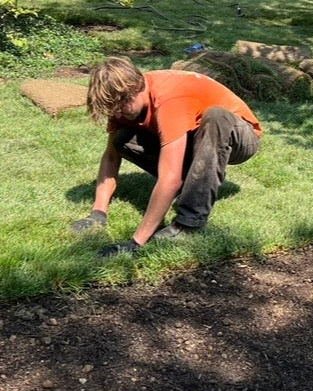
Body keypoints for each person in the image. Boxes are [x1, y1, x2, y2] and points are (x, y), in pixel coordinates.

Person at [71, 56, 263, 258]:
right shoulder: (121, 99)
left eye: (121, 105)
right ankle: (198, 179)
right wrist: (98, 213)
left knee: (215, 116)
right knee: (123, 138)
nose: (117, 113)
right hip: (196, 136)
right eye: (112, 108)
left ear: (136, 88)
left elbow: (169, 179)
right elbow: (111, 157)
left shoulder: (169, 99)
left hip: (239, 136)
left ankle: (188, 224)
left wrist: (136, 243)